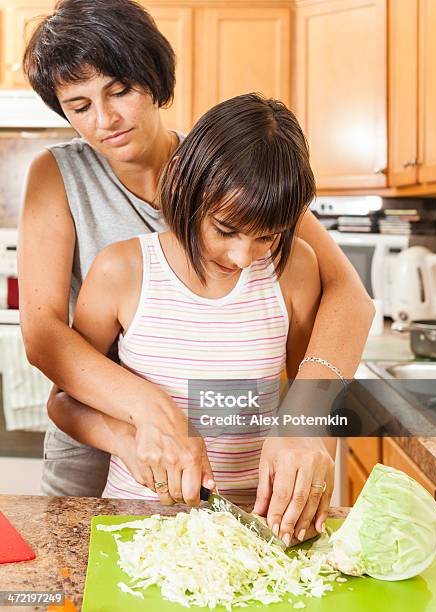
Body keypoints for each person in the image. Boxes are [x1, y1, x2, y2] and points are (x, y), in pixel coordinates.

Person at [19, 0, 374, 537]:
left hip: (232, 477)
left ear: (155, 78)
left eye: (121, 91)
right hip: (105, 456)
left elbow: (348, 295)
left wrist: (305, 420)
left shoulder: (232, 171)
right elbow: (43, 335)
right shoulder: (58, 177)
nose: (105, 120)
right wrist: (148, 411)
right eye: (78, 105)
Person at [61, 92, 332, 548]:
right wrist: (130, 442)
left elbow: (317, 391)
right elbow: (64, 402)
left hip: (260, 530)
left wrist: (313, 449)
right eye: (225, 230)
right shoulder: (121, 270)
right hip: (141, 520)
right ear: (189, 189)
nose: (244, 257)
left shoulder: (296, 268)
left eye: (267, 236)